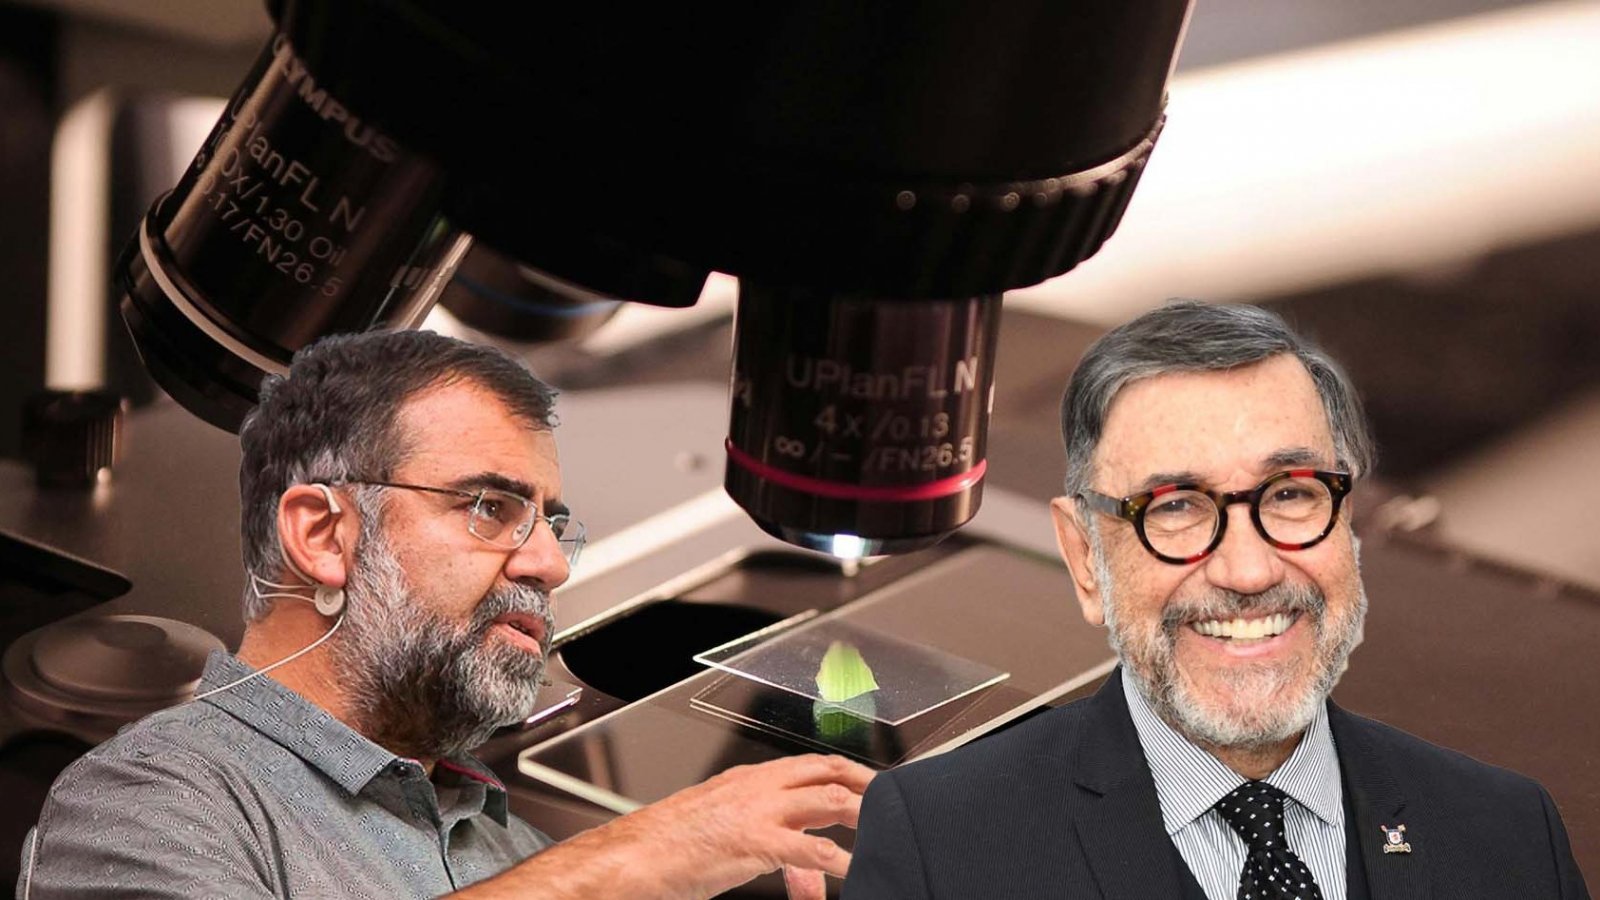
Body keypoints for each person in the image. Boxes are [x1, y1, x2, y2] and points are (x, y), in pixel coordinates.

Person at [19, 329, 873, 899]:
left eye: (551, 523)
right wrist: (628, 862)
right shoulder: (153, 796)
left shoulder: (512, 850)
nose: (545, 563)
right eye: (490, 507)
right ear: (323, 534)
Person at [842, 301, 1591, 900]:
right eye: (1175, 507)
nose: (1248, 568)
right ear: (1084, 558)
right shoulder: (940, 847)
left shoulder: (1507, 832)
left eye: (1291, 493)